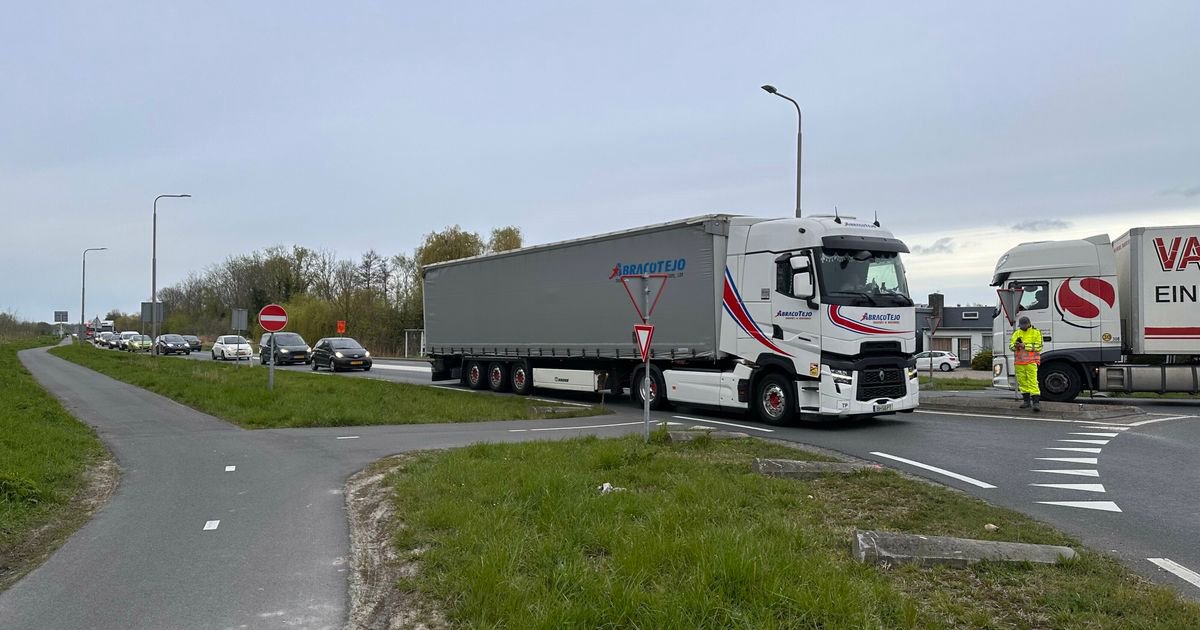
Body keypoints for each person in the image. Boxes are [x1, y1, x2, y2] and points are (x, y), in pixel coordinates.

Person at [1010, 315, 1044, 411]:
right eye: (1021, 326)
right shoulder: (1017, 333)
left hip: (1031, 361)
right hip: (1019, 362)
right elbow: (1011, 346)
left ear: (1029, 324)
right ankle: (1026, 402)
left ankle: (1036, 403)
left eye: (1023, 325)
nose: (1022, 327)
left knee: (1032, 381)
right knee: (1022, 382)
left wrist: (1025, 346)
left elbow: (1039, 346)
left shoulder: (1036, 332)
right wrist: (1015, 346)